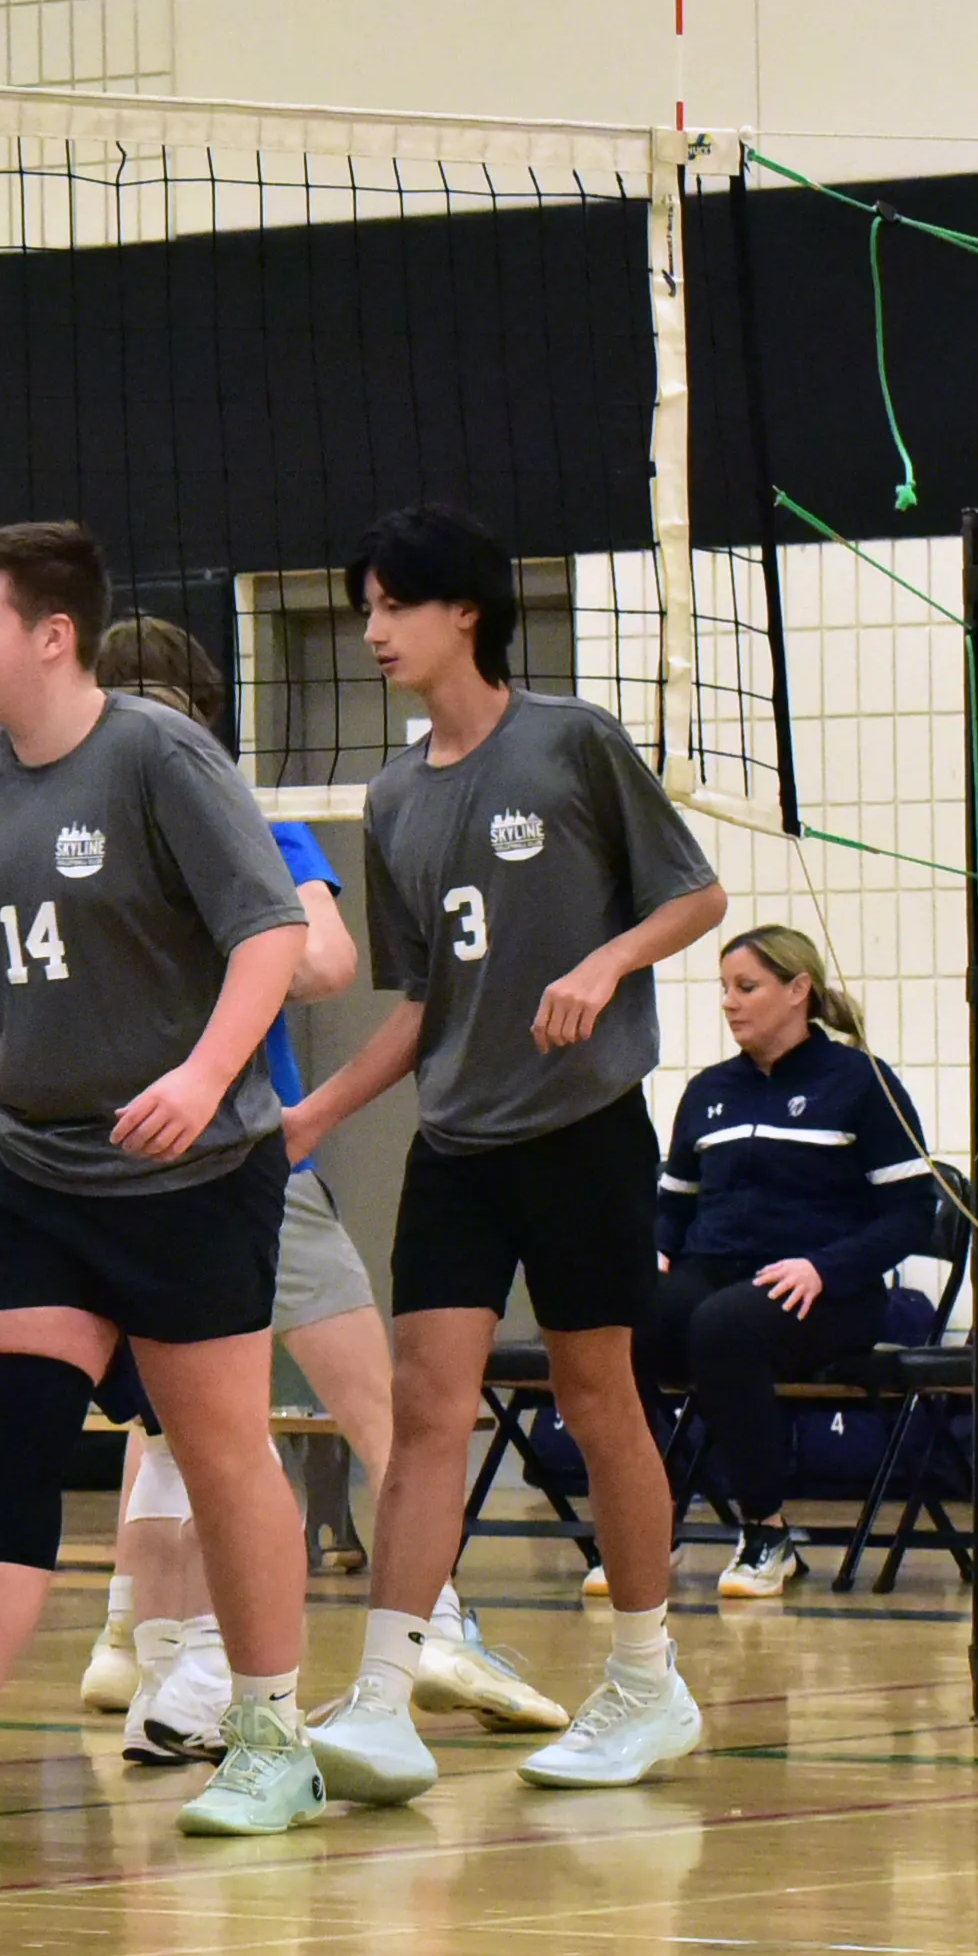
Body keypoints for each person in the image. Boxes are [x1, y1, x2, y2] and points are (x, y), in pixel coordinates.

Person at [0, 526, 325, 1839]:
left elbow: (274, 930)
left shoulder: (161, 756)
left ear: (53, 636)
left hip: (190, 1171)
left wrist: (202, 1078)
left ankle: (272, 1736)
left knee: (221, 1453)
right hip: (32, 1161)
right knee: (5, 1431)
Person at [286, 504, 731, 1791]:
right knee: (428, 1406)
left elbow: (697, 894)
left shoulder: (573, 740)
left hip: (583, 1128)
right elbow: (423, 1002)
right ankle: (384, 1696)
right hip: (459, 1144)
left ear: (464, 611)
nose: (374, 632)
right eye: (364, 610)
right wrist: (319, 1112)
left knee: (601, 1399)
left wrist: (604, 961)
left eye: (394, 606)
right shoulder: (391, 797)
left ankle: (645, 1680)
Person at [72, 618, 562, 1753]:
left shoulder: (86, 818)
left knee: (175, 1421)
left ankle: (140, 1646)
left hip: (110, 1159)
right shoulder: (230, 811)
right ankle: (431, 1627)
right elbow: (332, 960)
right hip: (235, 1158)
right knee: (371, 1407)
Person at [645, 924, 941, 1597]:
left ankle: (767, 1533)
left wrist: (825, 1268)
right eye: (724, 988)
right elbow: (674, 1206)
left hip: (826, 1288)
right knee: (622, 1322)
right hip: (715, 1268)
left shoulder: (860, 1082)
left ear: (798, 990)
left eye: (746, 987)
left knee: (725, 1327)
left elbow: (910, 1213)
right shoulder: (708, 1091)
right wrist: (658, 1250)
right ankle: (647, 1523)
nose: (729, 1002)